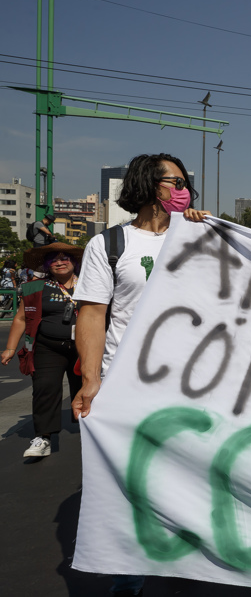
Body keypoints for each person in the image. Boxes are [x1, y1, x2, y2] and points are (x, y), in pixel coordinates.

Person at [71, 153, 209, 597]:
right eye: (175, 181)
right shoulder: (109, 245)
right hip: (127, 386)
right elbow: (92, 314)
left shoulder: (201, 238)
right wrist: (91, 379)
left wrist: (205, 232)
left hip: (194, 389)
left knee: (194, 483)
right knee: (131, 487)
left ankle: (195, 572)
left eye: (187, 183)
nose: (183, 189)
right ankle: (128, 579)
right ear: (150, 184)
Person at [2, 243, 84, 458]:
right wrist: (10, 348)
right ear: (48, 265)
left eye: (65, 258)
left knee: (86, 389)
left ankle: (92, 430)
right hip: (48, 347)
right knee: (44, 388)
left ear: (73, 261)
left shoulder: (91, 282)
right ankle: (43, 437)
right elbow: (20, 318)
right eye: (54, 260)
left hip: (85, 347)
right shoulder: (36, 287)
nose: (60, 262)